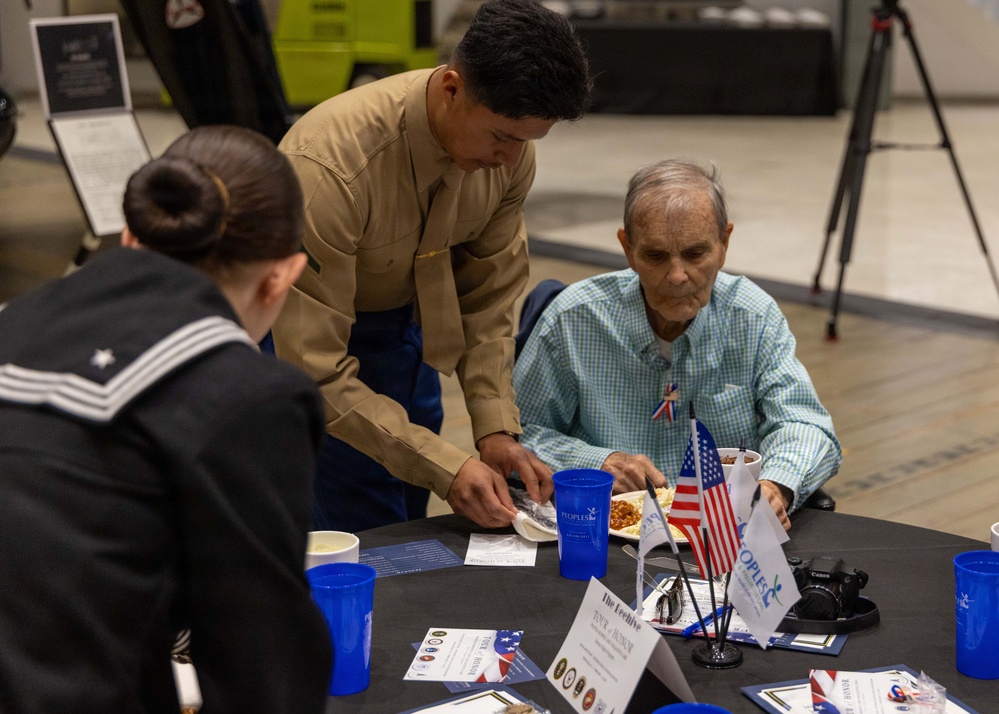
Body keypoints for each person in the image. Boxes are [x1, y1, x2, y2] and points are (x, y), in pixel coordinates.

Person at [0, 125, 331, 712]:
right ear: (283, 276)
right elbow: (261, 658)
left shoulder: (13, 323)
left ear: (131, 237)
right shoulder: (246, 397)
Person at [271, 0, 592, 531]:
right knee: (359, 536)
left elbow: (488, 301)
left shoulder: (507, 158)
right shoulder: (328, 171)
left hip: (416, 334)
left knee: (409, 522)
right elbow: (311, 367)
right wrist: (445, 463)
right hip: (312, 348)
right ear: (451, 89)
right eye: (504, 137)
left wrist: (494, 429)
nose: (512, 161)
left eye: (529, 142)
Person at [513, 160, 841, 529]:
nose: (677, 275)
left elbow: (805, 424)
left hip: (724, 536)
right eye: (655, 256)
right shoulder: (572, 318)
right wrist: (599, 462)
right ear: (627, 248)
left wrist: (777, 485)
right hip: (603, 532)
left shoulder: (753, 316)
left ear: (724, 243)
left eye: (695, 253)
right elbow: (522, 435)